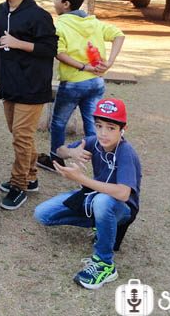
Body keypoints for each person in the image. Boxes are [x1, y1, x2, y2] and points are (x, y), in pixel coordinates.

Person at [34, 98, 141, 290]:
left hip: (121, 209)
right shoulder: (94, 141)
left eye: (111, 128)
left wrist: (81, 179)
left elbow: (123, 194)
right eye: (99, 126)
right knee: (42, 214)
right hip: (94, 198)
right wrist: (72, 152)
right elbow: (59, 150)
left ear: (123, 129)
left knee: (103, 202)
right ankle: (101, 224)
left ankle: (105, 264)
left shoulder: (126, 152)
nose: (103, 133)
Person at [0, 0, 57, 211]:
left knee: (22, 138)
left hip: (32, 85)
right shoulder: (0, 11)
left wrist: (19, 43)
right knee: (18, 133)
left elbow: (50, 49)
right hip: (8, 82)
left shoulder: (39, 16)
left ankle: (19, 185)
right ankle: (31, 176)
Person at [37, 0, 126, 172]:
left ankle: (55, 159)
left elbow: (60, 53)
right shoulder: (93, 22)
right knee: (94, 125)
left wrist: (83, 66)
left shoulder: (60, 25)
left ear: (66, 4)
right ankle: (102, 164)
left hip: (72, 84)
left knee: (58, 123)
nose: (54, 2)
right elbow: (119, 35)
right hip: (96, 82)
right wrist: (109, 62)